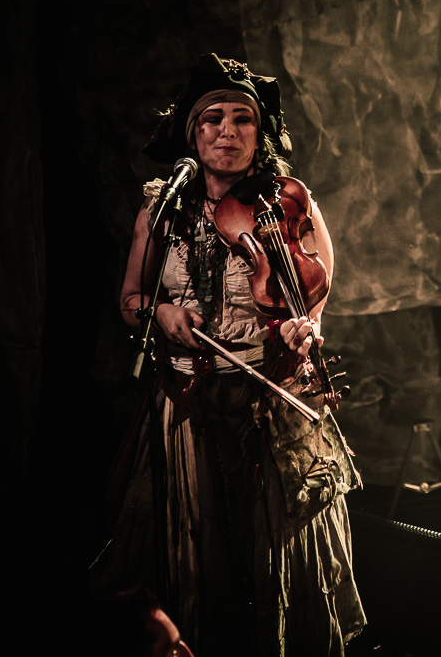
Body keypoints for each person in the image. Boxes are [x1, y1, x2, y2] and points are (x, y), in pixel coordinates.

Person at [98, 54, 365, 656]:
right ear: (191, 132)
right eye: (212, 119)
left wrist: (301, 332)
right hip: (186, 404)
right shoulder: (161, 207)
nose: (227, 131)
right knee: (196, 559)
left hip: (272, 403)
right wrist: (161, 314)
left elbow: (313, 302)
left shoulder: (289, 203)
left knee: (270, 559)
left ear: (259, 132)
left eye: (243, 119)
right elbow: (131, 301)